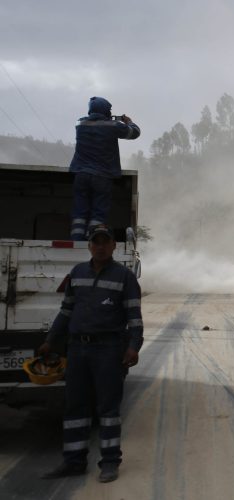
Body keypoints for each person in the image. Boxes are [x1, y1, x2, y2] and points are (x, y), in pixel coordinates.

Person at [38, 224, 143, 483]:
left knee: (108, 409)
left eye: (105, 242)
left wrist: (134, 346)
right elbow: (66, 311)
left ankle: (109, 463)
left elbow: (134, 317)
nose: (100, 246)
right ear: (89, 246)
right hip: (77, 349)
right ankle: (73, 461)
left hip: (108, 349)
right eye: (96, 242)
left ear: (113, 246)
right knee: (75, 407)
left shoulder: (124, 277)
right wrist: (50, 341)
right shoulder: (77, 272)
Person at [69, 96, 140, 240]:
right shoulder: (113, 126)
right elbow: (135, 133)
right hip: (102, 176)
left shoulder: (80, 124)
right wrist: (128, 122)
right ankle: (93, 239)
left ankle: (76, 240)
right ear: (106, 111)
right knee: (98, 212)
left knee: (80, 212)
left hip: (81, 174)